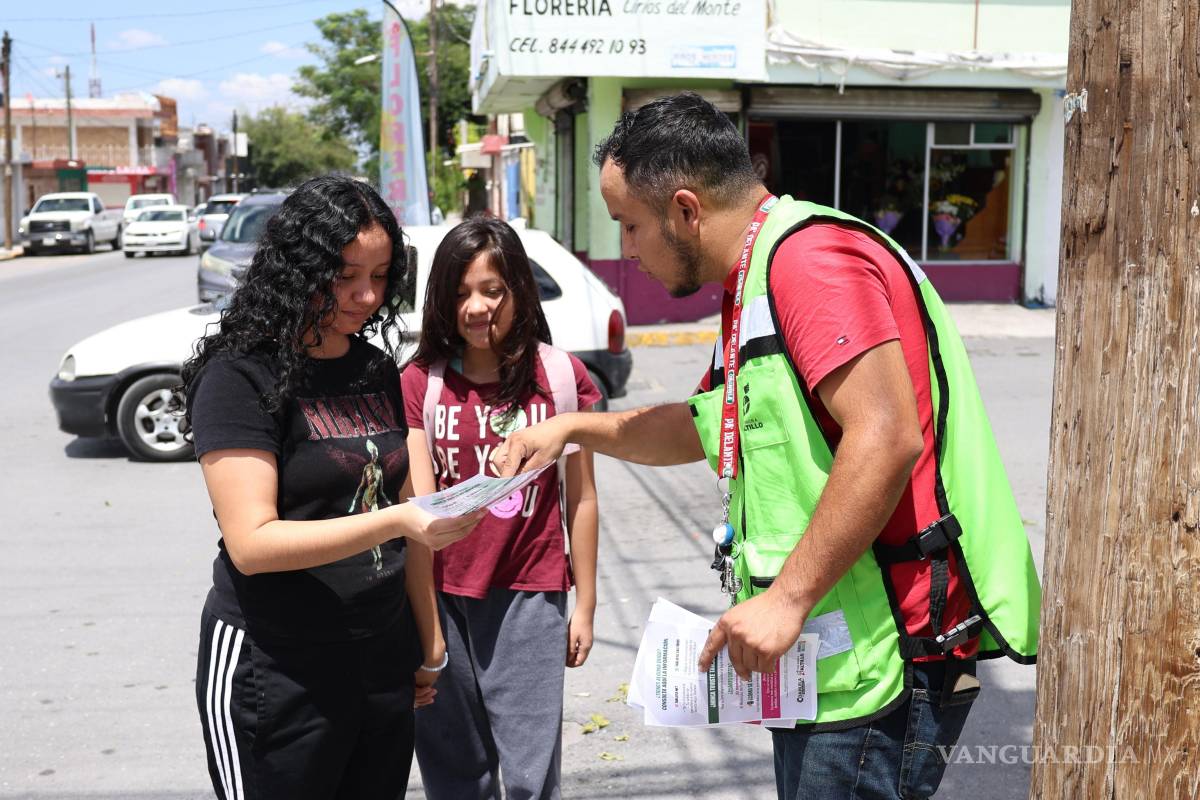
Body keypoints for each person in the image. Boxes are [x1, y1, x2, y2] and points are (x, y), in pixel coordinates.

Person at [493, 93, 1041, 799]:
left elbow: (886, 436)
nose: (626, 249)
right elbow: (705, 421)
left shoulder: (808, 261)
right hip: (829, 656)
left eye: (629, 225)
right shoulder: (754, 277)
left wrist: (786, 598)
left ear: (686, 210)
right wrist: (568, 430)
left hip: (882, 655)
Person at [181, 174, 485, 800]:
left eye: (380, 276)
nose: (366, 295)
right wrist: (399, 523)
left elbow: (408, 506)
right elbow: (254, 543)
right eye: (346, 275)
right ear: (298, 268)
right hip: (275, 664)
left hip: (380, 653)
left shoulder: (372, 367)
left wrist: (428, 640)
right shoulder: (240, 374)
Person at [401, 216, 601, 800]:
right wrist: (425, 628)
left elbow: (582, 498)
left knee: (531, 778)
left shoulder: (561, 378)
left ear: (519, 289)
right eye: (460, 292)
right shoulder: (420, 382)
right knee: (455, 774)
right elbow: (418, 512)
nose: (476, 307)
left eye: (492, 289)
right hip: (441, 598)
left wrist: (584, 604)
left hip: (531, 597)